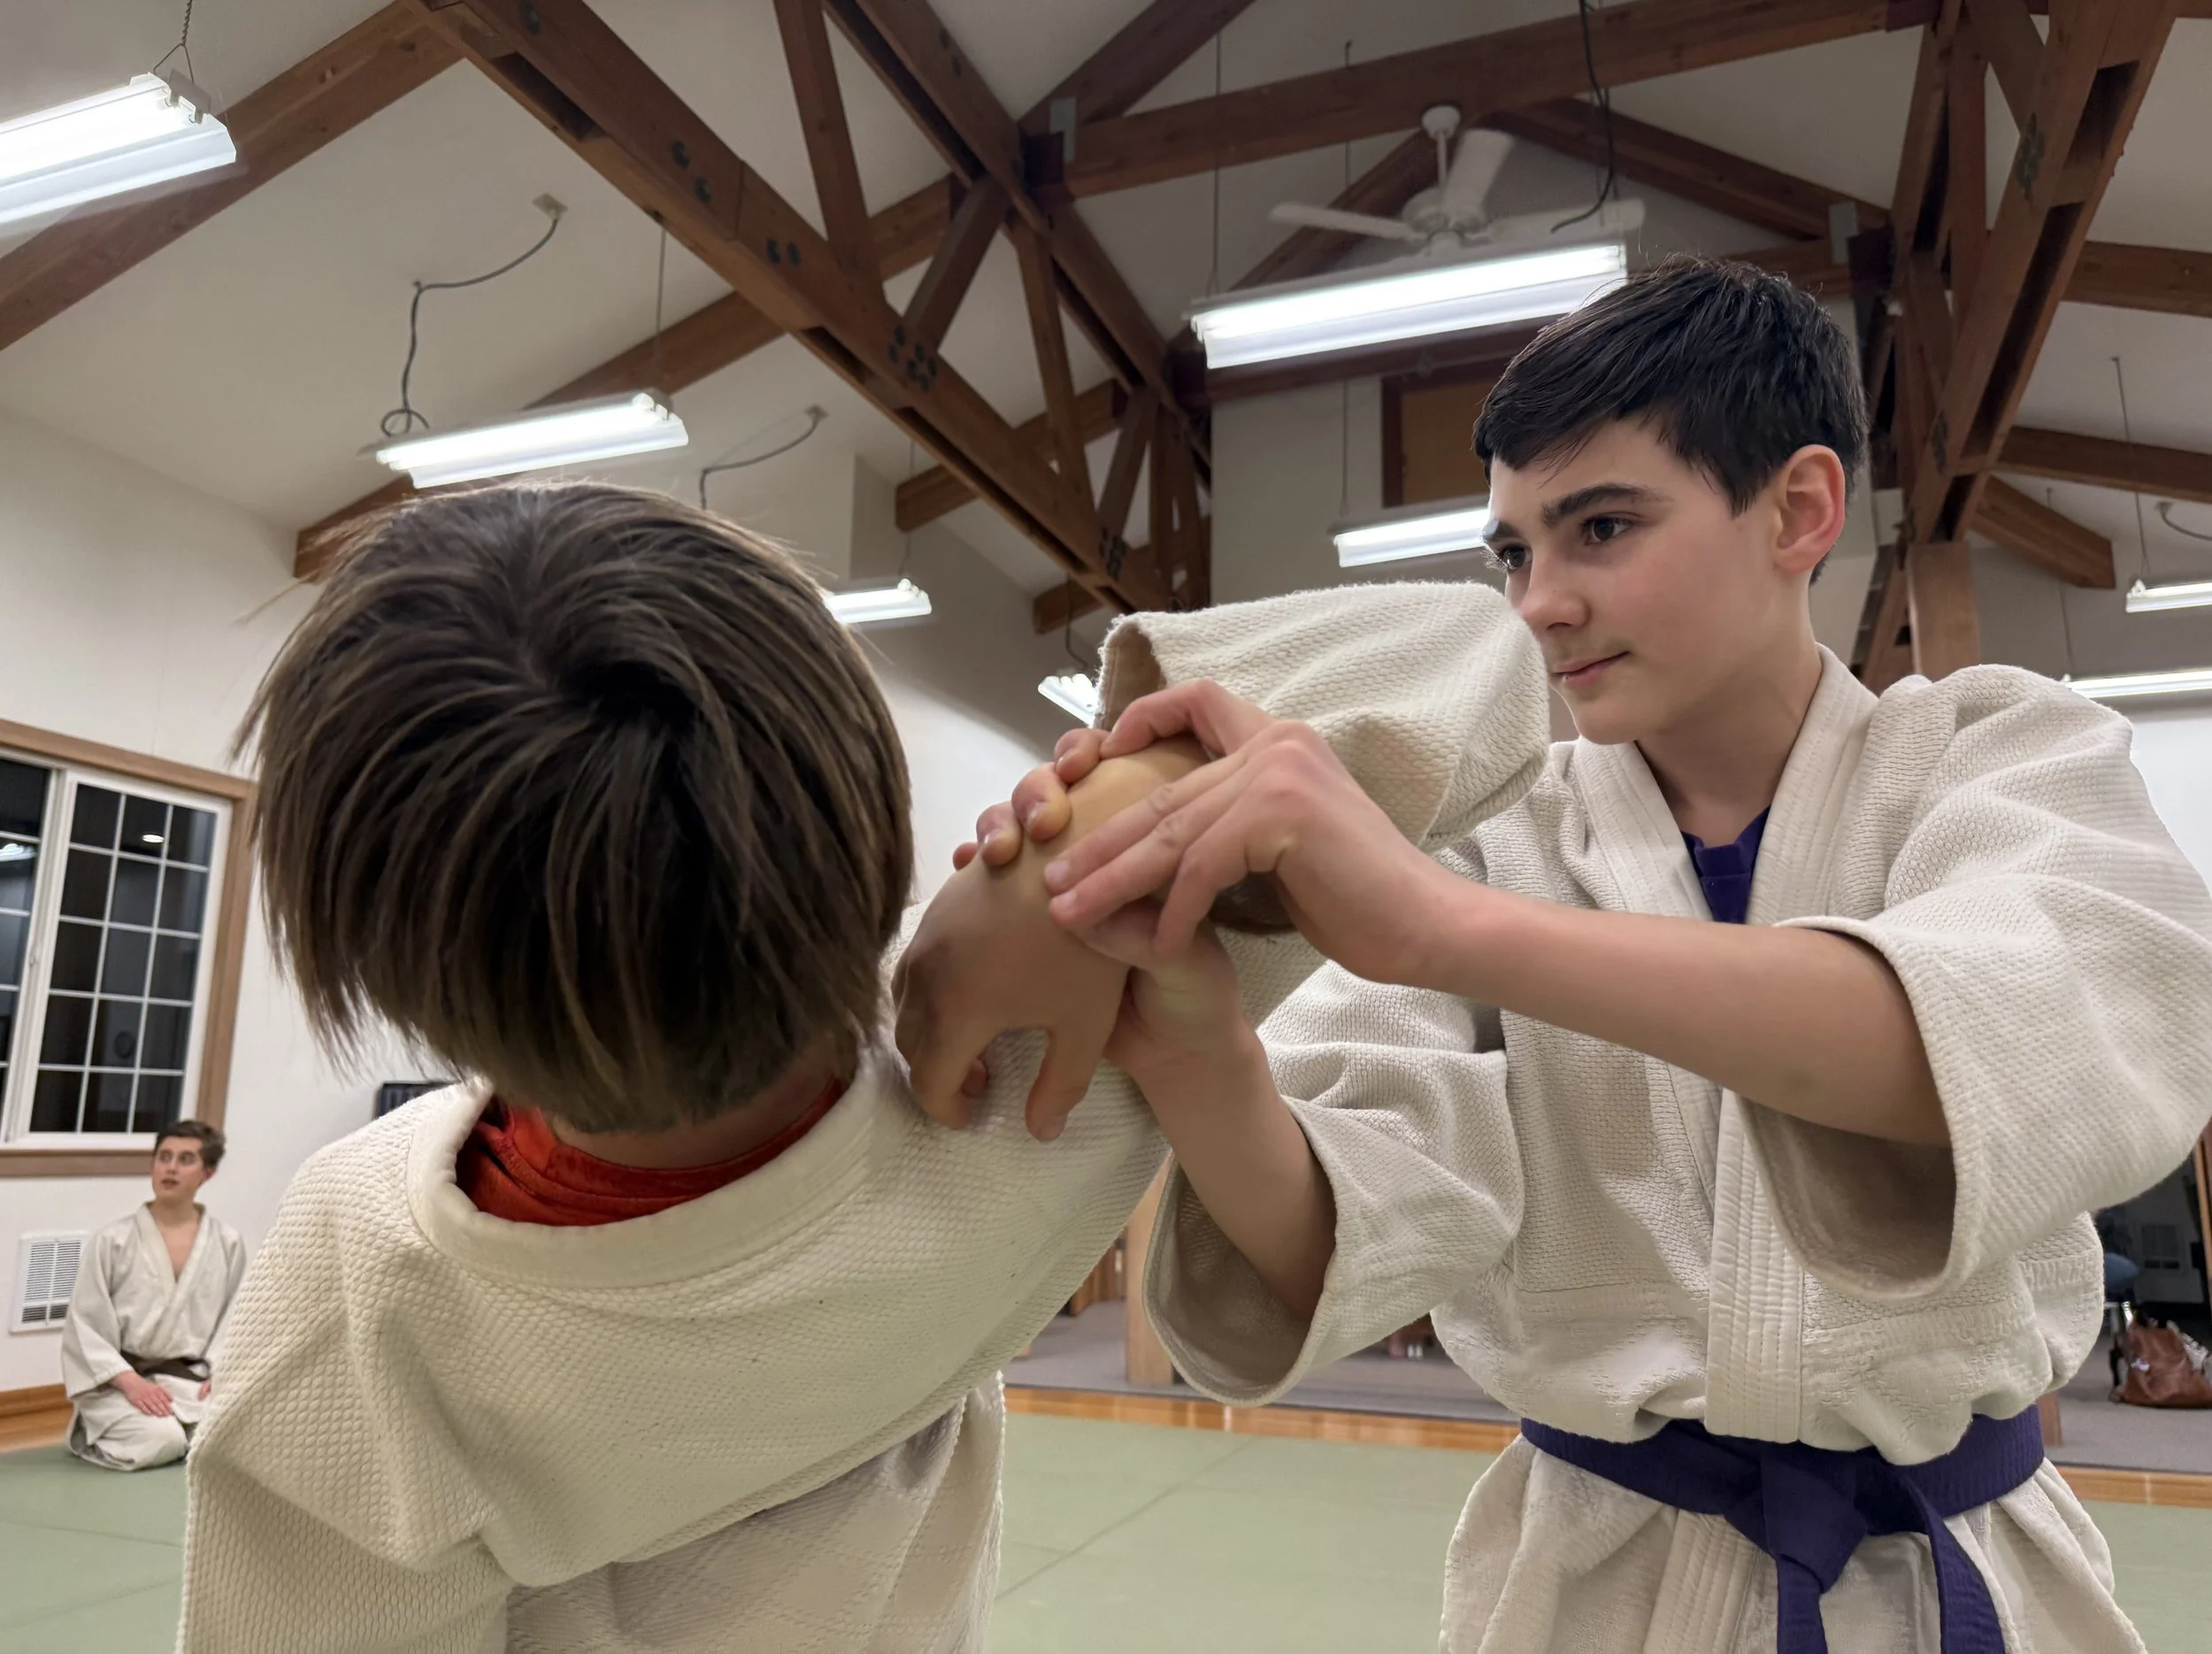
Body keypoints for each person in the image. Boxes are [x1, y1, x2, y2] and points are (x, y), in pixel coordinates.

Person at [917, 259, 2212, 1650]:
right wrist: (1199, 1055)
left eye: (1601, 526)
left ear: (1798, 509)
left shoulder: (2001, 755)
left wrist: (1440, 927)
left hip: (1958, 1575)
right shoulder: (1494, 839)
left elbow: (2004, 1041)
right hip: (1594, 1581)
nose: (1538, 601)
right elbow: (1342, 1223)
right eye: (1516, 552)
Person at [176, 481, 1549, 1650]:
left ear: (377, 961)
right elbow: (1486, 652)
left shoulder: (359, 1294)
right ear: (873, 813)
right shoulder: (1045, 1066)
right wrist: (1105, 835)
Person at [59, 1119, 246, 1471]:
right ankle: (92, 1433)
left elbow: (235, 1318)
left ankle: (181, 1431)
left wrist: (222, 1373)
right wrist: (129, 1382)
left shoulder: (227, 1243)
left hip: (188, 1381)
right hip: (120, 1382)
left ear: (207, 1172)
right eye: (164, 1157)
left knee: (240, 1434)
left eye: (186, 1159)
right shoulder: (114, 1240)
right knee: (163, 1439)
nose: (171, 1168)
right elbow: (85, 1324)